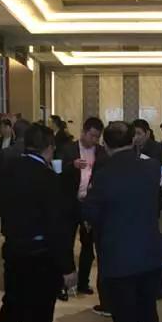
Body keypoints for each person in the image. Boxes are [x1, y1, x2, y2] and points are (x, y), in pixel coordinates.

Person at [0, 124, 77, 322]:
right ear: (49, 148)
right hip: (40, 255)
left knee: (12, 309)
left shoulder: (8, 170)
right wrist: (67, 266)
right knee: (38, 319)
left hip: (14, 249)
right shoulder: (48, 177)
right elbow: (57, 226)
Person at [84, 122, 162, 322]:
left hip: (119, 256)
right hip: (149, 253)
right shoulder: (152, 168)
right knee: (149, 317)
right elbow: (159, 203)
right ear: (133, 141)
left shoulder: (104, 175)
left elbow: (91, 213)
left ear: (106, 145)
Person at [60, 117, 107, 300]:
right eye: (92, 136)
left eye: (97, 137)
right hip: (70, 202)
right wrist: (72, 166)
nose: (94, 140)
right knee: (66, 243)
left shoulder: (101, 152)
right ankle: (65, 283)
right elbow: (57, 172)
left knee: (88, 244)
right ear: (84, 132)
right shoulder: (68, 149)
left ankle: (83, 282)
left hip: (90, 203)